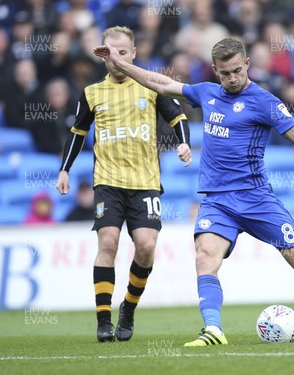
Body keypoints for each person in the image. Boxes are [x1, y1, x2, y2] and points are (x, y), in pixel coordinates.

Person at [94, 36, 294, 346]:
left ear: (247, 64)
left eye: (237, 71)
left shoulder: (265, 102)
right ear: (215, 70)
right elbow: (159, 82)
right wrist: (119, 63)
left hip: (256, 198)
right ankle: (213, 330)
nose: (232, 78)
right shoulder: (207, 93)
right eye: (225, 73)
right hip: (217, 202)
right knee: (205, 256)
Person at [56, 26, 192, 343]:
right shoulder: (92, 93)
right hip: (108, 181)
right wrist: (64, 170)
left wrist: (184, 143)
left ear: (133, 54)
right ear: (102, 55)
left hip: (145, 182)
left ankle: (128, 309)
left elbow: (179, 118)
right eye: (109, 52)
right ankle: (103, 321)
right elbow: (77, 133)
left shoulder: (150, 87)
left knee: (145, 247)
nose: (115, 58)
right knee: (108, 243)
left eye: (122, 52)